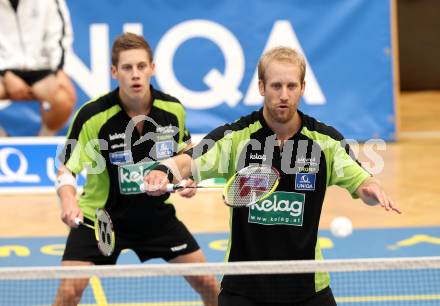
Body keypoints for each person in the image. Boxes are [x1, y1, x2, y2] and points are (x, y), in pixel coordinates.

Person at [144, 46, 401, 305]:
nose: (284, 95)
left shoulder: (326, 142)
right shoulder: (237, 137)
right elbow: (190, 159)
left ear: (302, 87)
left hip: (307, 286)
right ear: (261, 87)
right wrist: (162, 171)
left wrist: (371, 189)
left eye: (291, 86)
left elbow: (363, 182)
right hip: (243, 287)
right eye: (276, 86)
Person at [53, 32, 219, 306]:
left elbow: (185, 154)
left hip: (154, 219)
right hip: (99, 220)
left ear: (152, 68)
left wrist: (185, 179)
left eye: (142, 66)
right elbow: (65, 169)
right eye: (127, 68)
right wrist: (68, 201)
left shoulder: (173, 110)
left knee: (210, 284)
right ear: (114, 72)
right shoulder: (92, 116)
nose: (135, 75)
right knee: (68, 292)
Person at [0, 0, 76, 136]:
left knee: (65, 96)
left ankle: (43, 139)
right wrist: (5, 73)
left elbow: (60, 38)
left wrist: (59, 71)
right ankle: (3, 142)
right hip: (3, 73)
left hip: (41, 70)